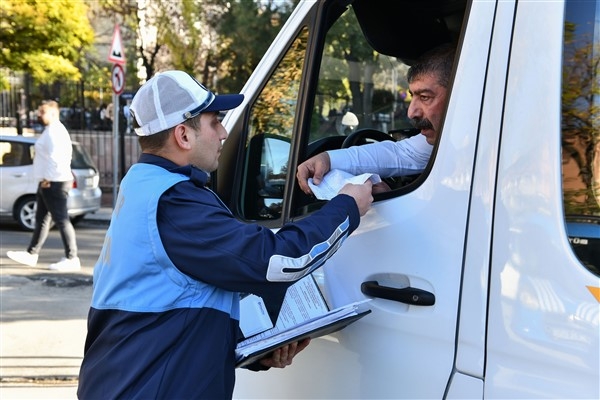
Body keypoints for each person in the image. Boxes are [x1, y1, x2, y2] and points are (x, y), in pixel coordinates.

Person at [77, 70, 373, 399]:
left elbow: (178, 308)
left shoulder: (146, 187)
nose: (224, 132)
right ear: (183, 136)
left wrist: (256, 350)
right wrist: (347, 205)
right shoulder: (175, 204)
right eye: (214, 121)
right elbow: (278, 260)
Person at [297, 44, 455, 194]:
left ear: (458, 93)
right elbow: (403, 153)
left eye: (425, 97)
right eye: (412, 96)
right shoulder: (447, 139)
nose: (411, 112)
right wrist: (327, 159)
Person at [7, 100, 81, 272]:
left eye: (42, 112)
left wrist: (47, 179)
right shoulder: (51, 130)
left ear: (53, 114)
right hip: (49, 181)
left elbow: (56, 158)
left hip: (54, 181)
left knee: (61, 219)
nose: (39, 114)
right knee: (41, 219)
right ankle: (31, 254)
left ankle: (72, 257)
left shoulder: (55, 131)